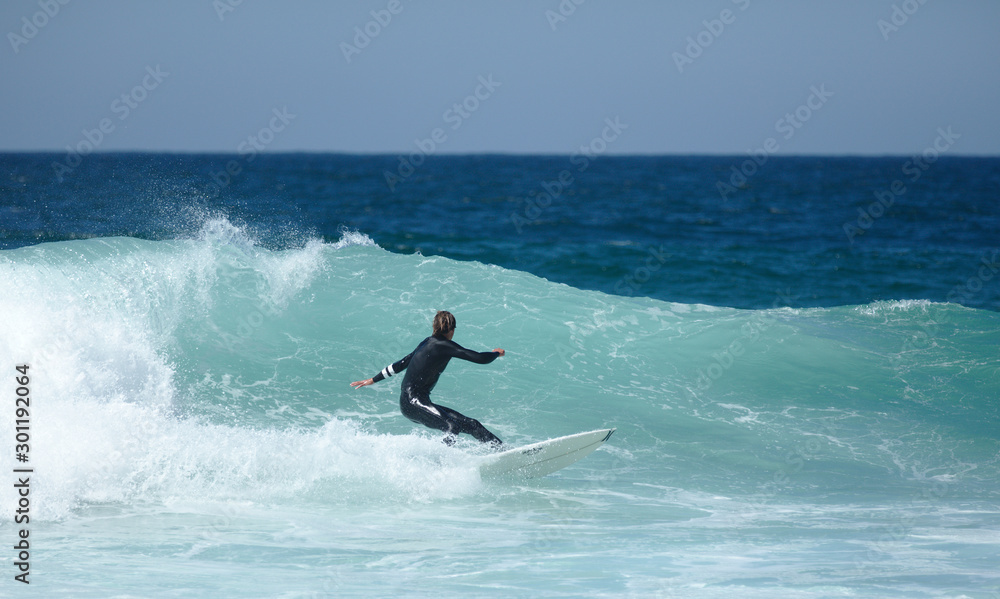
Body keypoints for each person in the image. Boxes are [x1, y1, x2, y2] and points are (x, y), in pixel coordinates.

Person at [351, 310, 505, 448]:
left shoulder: (427, 342)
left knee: (472, 424)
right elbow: (479, 358)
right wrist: (496, 353)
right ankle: (438, 464)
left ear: (435, 327)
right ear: (452, 330)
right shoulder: (445, 345)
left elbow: (402, 363)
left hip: (415, 402)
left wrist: (373, 379)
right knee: (452, 426)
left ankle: (502, 451)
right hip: (411, 402)